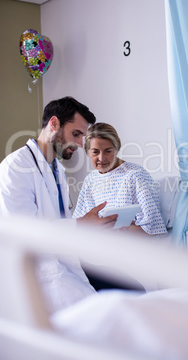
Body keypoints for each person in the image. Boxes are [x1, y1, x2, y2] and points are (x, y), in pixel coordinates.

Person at [0, 96, 118, 311]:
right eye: (76, 134)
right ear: (53, 124)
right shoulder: (15, 167)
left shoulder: (57, 170)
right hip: (41, 272)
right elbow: (24, 234)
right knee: (109, 310)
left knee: (131, 289)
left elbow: (61, 228)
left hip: (66, 262)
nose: (81, 144)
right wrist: (81, 224)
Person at [73, 122, 167, 236]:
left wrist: (120, 230)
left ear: (117, 149)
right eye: (95, 152)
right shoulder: (90, 180)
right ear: (88, 152)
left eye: (108, 151)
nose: (101, 158)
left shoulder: (135, 175)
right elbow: (80, 225)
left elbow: (152, 229)